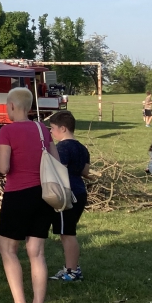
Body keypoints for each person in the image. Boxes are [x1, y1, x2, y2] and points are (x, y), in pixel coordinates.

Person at [0, 86, 54, 303]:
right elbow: (55, 160)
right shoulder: (42, 129)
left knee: (7, 248)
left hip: (18, 194)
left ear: (11, 106)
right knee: (36, 252)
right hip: (44, 195)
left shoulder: (7, 131)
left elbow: (4, 167)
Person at [47, 110, 89, 282]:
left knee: (67, 234)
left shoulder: (63, 147)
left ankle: (72, 271)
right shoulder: (82, 148)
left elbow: (58, 169)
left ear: (63, 128)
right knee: (67, 231)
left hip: (66, 195)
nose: (51, 132)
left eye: (52, 128)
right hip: (80, 192)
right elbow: (85, 171)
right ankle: (70, 268)